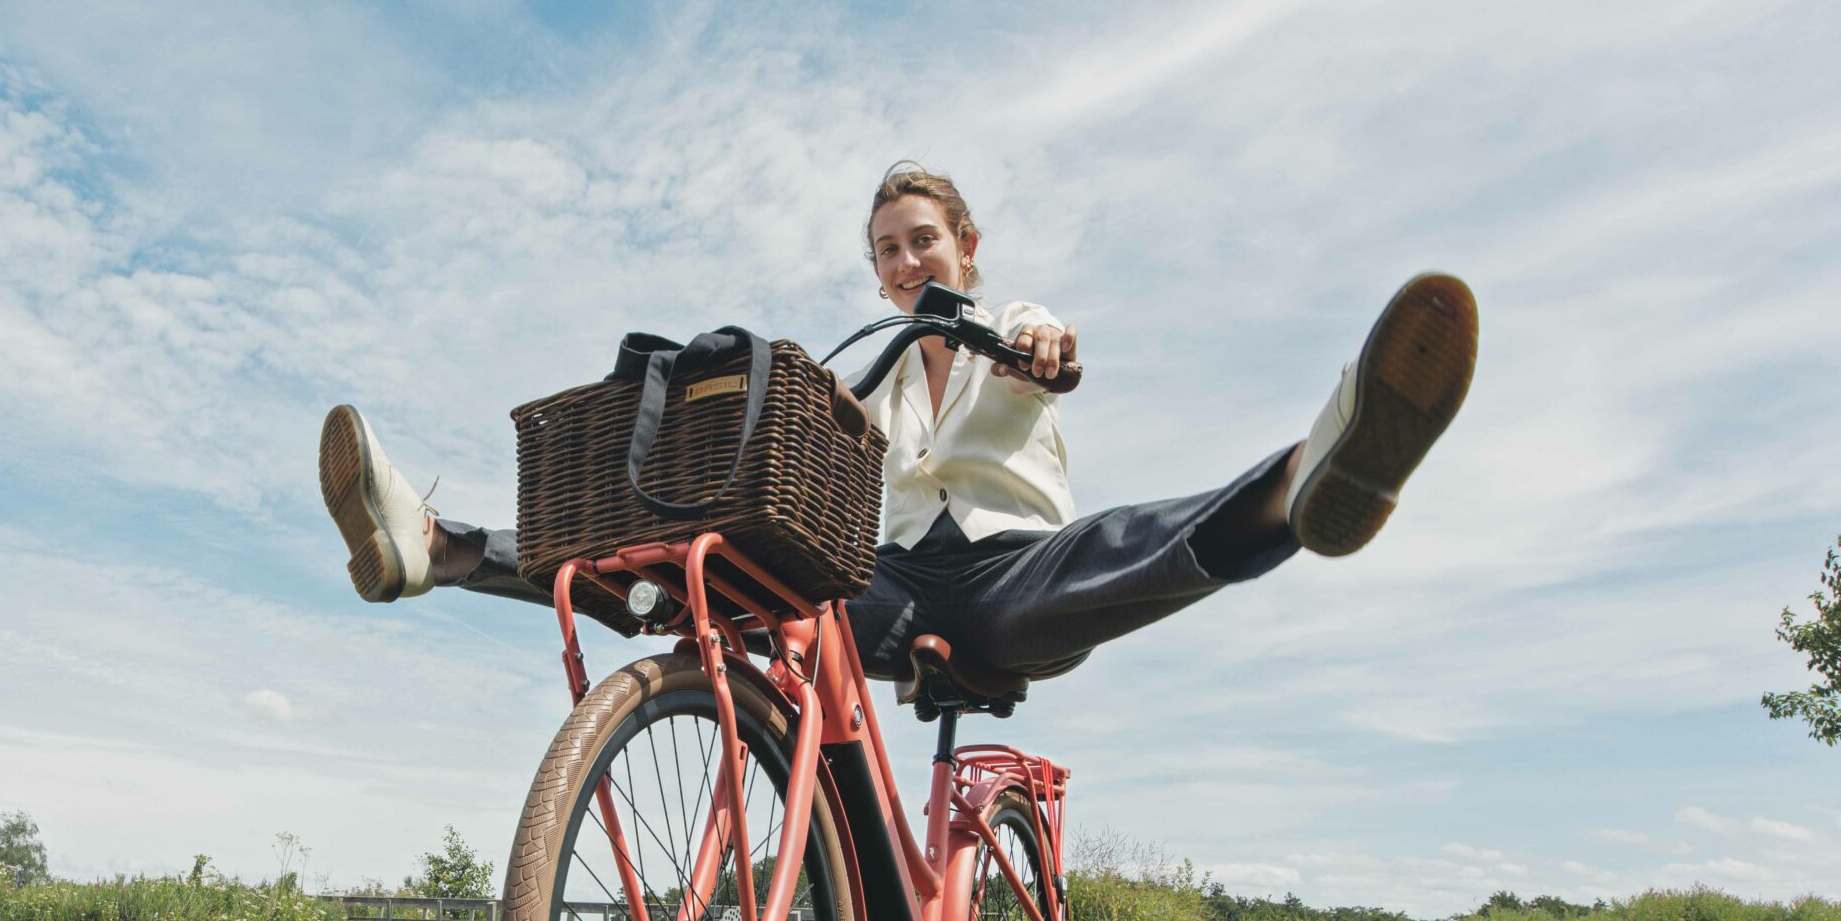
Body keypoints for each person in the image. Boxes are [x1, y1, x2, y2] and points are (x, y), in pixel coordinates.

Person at [315, 162, 1476, 683]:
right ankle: (447, 549)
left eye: (924, 238)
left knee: (1117, 544)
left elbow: (1058, 356)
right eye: (887, 250)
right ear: (875, 279)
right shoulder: (862, 375)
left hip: (1015, 575)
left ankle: (1315, 473)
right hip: (887, 585)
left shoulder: (1011, 322)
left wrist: (1043, 353)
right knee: (716, 569)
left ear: (963, 249)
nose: (907, 258)